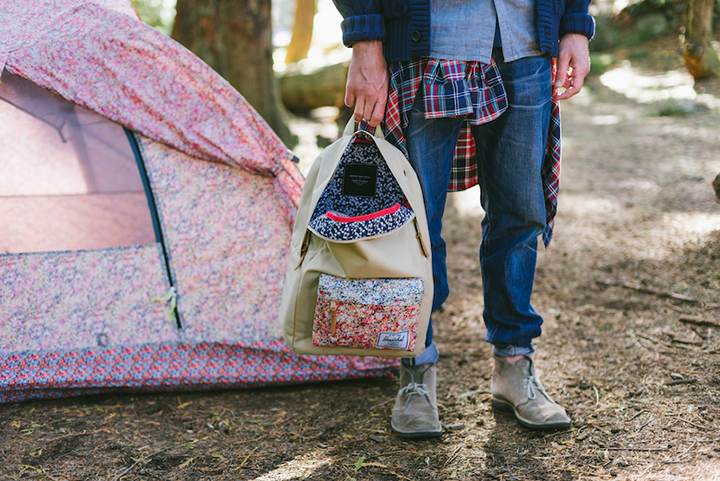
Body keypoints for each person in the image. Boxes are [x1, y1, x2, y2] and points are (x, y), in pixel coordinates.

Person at [331, 0, 595, 437]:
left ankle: (514, 364)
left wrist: (575, 26)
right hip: (427, 42)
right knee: (413, 222)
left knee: (520, 215)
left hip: (524, 41)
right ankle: (415, 367)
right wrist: (364, 38)